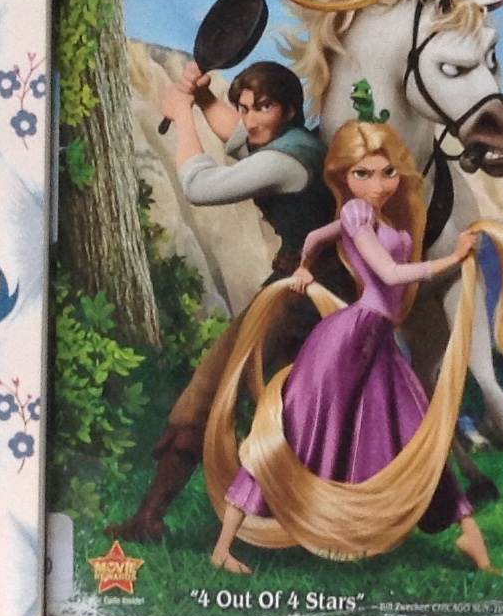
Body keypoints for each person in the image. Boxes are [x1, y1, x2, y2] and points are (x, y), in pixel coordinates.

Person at [205, 119, 501, 576]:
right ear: (345, 176)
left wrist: (305, 265)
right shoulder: (358, 215)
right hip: (347, 339)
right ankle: (224, 546)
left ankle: (468, 533)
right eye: (363, 174)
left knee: (415, 433)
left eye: (386, 172)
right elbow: (389, 274)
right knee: (297, 431)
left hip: (377, 343)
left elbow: (315, 238)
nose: (377, 184)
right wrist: (453, 258)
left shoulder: (378, 217)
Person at [109, 60, 344, 542]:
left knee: (210, 388)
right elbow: (241, 138)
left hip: (299, 295)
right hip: (318, 288)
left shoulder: (285, 162)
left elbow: (200, 187)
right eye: (244, 107)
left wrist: (182, 115)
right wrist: (201, 99)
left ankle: (151, 516)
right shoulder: (296, 144)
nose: (250, 119)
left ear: (290, 109)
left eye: (263, 107)